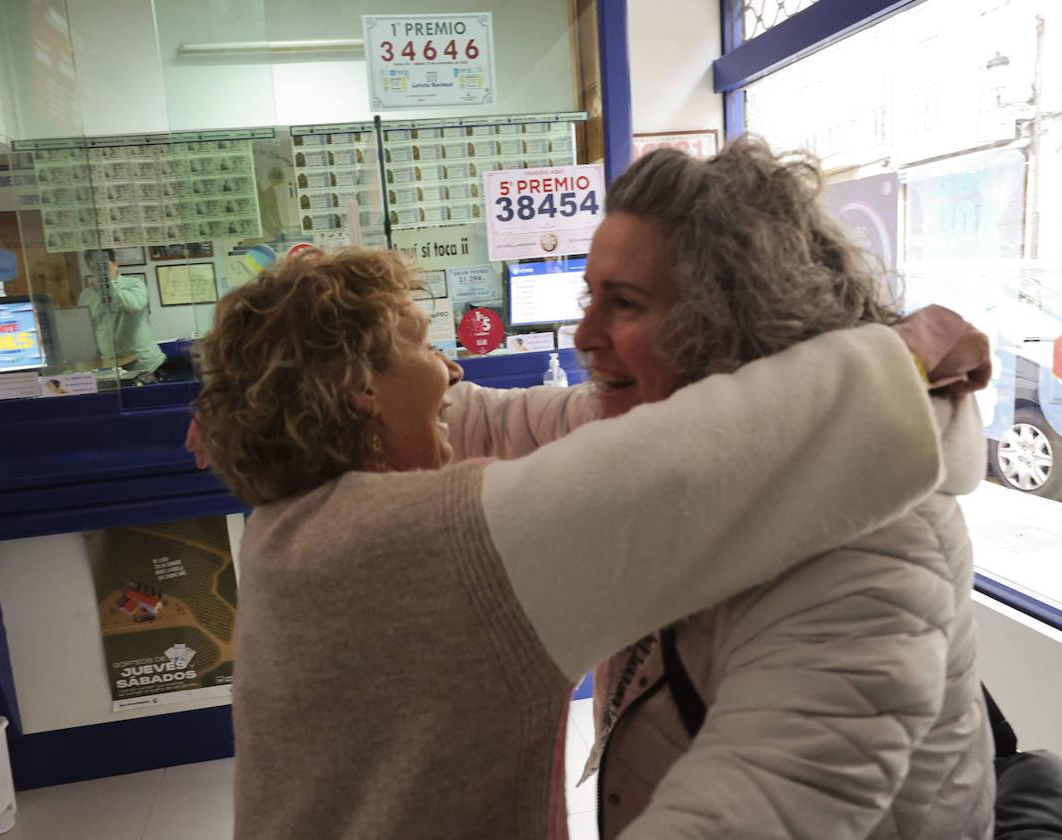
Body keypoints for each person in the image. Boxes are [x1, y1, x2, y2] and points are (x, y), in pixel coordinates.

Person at [190, 242, 987, 838]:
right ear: (357, 389)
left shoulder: (288, 528)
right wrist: (913, 356)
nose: (454, 372)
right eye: (422, 343)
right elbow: (709, 456)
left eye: (628, 302)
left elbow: (569, 428)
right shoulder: (439, 539)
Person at [451, 138, 993, 840]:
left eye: (624, 305)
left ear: (730, 320)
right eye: (592, 298)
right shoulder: (668, 432)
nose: (585, 335)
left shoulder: (877, 545)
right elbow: (505, 425)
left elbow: (760, 807)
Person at [78, 249, 166, 377]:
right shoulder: (87, 294)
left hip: (145, 363)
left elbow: (134, 305)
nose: (100, 272)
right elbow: (86, 327)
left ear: (115, 264)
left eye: (104, 266)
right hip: (111, 364)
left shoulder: (134, 284)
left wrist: (108, 286)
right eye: (94, 268)